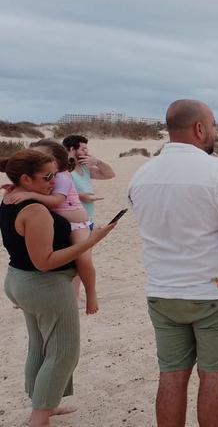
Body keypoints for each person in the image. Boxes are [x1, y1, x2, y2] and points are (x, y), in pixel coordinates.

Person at [128, 100, 218, 426]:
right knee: (214, 375)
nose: (215, 131)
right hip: (214, 291)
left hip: (162, 292)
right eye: (213, 124)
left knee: (171, 376)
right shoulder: (217, 171)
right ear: (199, 128)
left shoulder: (142, 175)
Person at [1, 149, 116, 427]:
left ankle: (44, 404)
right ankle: (40, 417)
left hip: (20, 280)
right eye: (47, 177)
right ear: (25, 179)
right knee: (64, 352)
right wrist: (92, 240)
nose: (54, 182)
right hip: (44, 286)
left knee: (40, 346)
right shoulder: (35, 210)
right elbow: (45, 262)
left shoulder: (11, 196)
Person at [4, 140, 101, 315]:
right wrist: (18, 186)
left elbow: (56, 201)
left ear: (56, 161)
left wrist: (29, 193)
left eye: (41, 156)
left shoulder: (62, 177)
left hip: (77, 224)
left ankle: (91, 294)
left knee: (83, 260)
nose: (36, 158)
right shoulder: (44, 176)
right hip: (59, 222)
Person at [61, 134, 116, 223]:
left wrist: (97, 162)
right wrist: (80, 197)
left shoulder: (85, 168)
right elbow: (58, 194)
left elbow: (110, 174)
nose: (86, 152)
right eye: (83, 149)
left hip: (88, 217)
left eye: (86, 149)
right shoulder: (64, 170)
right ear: (72, 149)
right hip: (73, 219)